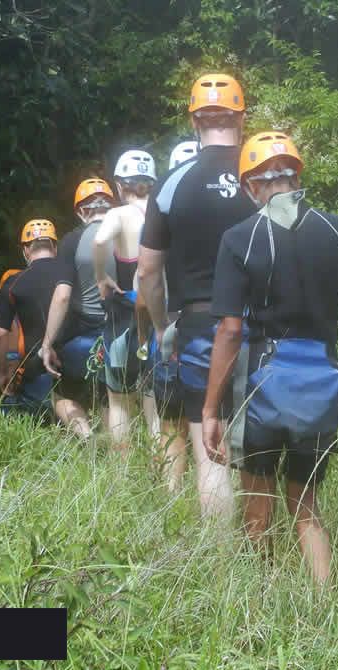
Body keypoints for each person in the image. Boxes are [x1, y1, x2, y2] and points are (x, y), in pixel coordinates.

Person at [201, 131, 338, 585]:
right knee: (308, 509)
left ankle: (263, 600)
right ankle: (324, 604)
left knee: (258, 503)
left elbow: (231, 330)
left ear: (249, 187)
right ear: (298, 177)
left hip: (259, 387)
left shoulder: (239, 238)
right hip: (321, 384)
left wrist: (209, 408)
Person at [138, 73, 257, 518]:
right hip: (266, 325)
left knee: (211, 448)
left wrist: (162, 325)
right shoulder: (261, 172)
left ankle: (223, 566)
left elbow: (148, 270)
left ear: (195, 123)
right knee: (262, 449)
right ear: (240, 118)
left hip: (201, 326)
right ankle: (268, 553)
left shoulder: (172, 183)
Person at [0, 219, 93, 438]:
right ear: (54, 247)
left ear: (26, 250)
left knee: (53, 398)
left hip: (38, 361)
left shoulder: (13, 283)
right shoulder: (70, 267)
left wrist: (1, 371)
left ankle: (85, 436)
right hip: (81, 348)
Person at [94, 150, 157, 451]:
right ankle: (165, 470)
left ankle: (122, 472)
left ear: (120, 184)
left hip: (125, 314)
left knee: (118, 397)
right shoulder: (164, 212)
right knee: (154, 398)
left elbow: (99, 240)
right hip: (160, 311)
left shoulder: (118, 215)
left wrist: (100, 277)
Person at [53, 178, 118, 403]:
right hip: (123, 322)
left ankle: (85, 429)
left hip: (85, 325)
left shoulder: (72, 241)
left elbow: (62, 296)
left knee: (61, 390)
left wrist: (47, 343)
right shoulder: (130, 234)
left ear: (81, 211)